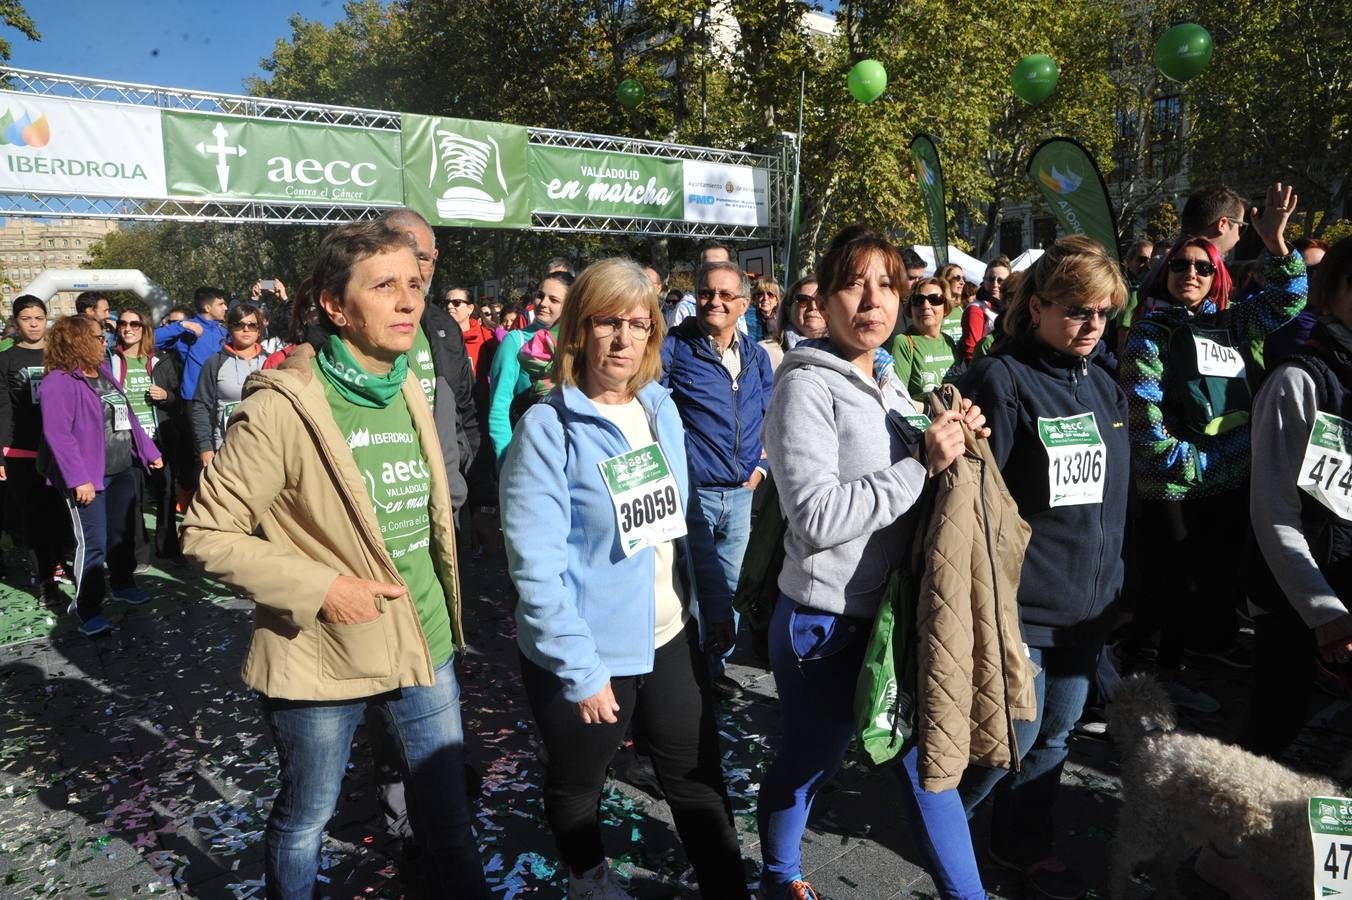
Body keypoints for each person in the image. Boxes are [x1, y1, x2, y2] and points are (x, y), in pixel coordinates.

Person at [180, 220, 489, 899]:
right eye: (385, 287)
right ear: (334, 305)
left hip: (422, 641)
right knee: (306, 821)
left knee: (448, 823)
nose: (409, 301)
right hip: (323, 655)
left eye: (415, 283)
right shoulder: (282, 406)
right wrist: (321, 588)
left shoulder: (408, 381)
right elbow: (205, 531)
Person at [500, 258, 748, 898]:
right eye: (608, 322)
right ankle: (589, 877)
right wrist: (580, 669)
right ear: (579, 330)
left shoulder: (661, 410)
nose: (623, 339)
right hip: (589, 652)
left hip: (668, 636)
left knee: (695, 775)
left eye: (638, 325)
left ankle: (727, 886)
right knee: (580, 780)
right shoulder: (547, 429)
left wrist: (713, 602)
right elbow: (537, 568)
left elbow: (683, 520)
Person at [757, 226, 990, 900]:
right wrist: (922, 464)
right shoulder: (806, 387)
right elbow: (818, 518)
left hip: (894, 620)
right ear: (825, 300)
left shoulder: (886, 384)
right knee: (809, 762)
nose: (872, 300)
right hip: (825, 623)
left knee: (926, 769)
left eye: (887, 285)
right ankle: (779, 878)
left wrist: (953, 428)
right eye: (853, 285)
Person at [956, 236, 1130, 899]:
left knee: (1055, 737)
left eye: (1103, 312)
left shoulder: (1105, 385)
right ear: (1038, 307)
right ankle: (937, 831)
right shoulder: (1003, 379)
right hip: (1020, 608)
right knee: (1003, 743)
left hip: (1084, 612)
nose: (1091, 325)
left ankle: (1020, 845)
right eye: (1077, 310)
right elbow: (976, 501)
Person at [1118, 183, 1308, 711]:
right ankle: (1149, 671)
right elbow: (1145, 419)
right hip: (1176, 482)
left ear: (1216, 276)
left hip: (1228, 480)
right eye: (1181, 267)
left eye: (1203, 268)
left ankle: (1151, 659)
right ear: (1166, 274)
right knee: (1169, 580)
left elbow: (1291, 299)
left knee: (1202, 581)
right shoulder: (1148, 334)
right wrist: (1192, 463)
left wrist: (1275, 243)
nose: (1192, 275)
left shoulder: (1232, 322)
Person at [1245, 237, 1352, 758]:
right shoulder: (1297, 381)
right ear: (1329, 295)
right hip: (1299, 601)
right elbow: (1273, 512)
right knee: (1275, 743)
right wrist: (1323, 610)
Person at [661, 260, 775, 700]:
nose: (716, 301)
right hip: (694, 493)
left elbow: (768, 417)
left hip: (742, 495)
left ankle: (716, 666)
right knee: (690, 588)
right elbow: (653, 406)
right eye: (708, 292)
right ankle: (690, 676)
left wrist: (761, 468)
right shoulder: (675, 346)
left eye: (727, 295)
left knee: (730, 589)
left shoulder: (756, 356)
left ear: (743, 304)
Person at [39, 316, 163, 637]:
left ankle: (123, 584)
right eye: (96, 337)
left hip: (121, 470)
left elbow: (128, 418)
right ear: (76, 341)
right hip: (88, 478)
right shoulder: (58, 382)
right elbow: (58, 434)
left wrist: (149, 452)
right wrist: (79, 478)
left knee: (121, 536)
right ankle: (87, 607)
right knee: (93, 543)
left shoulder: (104, 373)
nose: (104, 341)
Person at [0, 296, 68, 599]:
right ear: (16, 322)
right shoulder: (6, 360)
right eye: (26, 318)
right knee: (34, 518)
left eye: (39, 317)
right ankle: (45, 579)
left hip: (61, 449)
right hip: (22, 451)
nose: (33, 323)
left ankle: (65, 564)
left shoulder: (61, 355)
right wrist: (1, 449)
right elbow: (4, 409)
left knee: (62, 514)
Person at [110, 305, 182, 561]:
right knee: (134, 499)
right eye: (123, 324)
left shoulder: (160, 359)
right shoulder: (110, 360)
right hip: (125, 440)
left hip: (159, 438)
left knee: (165, 495)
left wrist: (167, 396)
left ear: (144, 329)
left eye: (134, 324)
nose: (128, 329)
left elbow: (177, 399)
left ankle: (168, 550)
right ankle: (139, 554)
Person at [487, 271, 572, 468]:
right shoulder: (515, 341)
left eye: (554, 299)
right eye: (540, 295)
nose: (543, 303)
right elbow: (499, 406)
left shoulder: (578, 345)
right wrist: (506, 463)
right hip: (528, 455)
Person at [192, 302, 267, 468]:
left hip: (265, 449)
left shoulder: (270, 362)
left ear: (259, 329)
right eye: (238, 324)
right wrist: (205, 447)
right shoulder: (214, 363)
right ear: (229, 328)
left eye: (252, 325)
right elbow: (200, 407)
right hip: (225, 449)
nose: (246, 329)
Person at [891, 277, 960, 402]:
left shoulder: (948, 341)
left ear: (946, 307)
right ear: (911, 308)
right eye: (918, 300)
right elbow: (898, 398)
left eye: (935, 299)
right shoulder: (904, 342)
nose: (926, 306)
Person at [960, 256, 1010, 361]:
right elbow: (970, 353)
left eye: (1000, 280)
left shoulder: (1009, 307)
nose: (995, 284)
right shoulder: (976, 309)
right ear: (983, 280)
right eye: (991, 279)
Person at [779, 276, 826, 350]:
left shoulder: (847, 351)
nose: (813, 307)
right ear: (788, 310)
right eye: (803, 299)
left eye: (820, 301)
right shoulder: (768, 353)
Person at [937, 264, 967, 342]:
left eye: (963, 278)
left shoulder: (961, 308)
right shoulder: (937, 307)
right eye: (957, 278)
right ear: (945, 280)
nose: (962, 282)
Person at [749, 276, 780, 343]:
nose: (765, 298)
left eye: (770, 294)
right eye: (760, 294)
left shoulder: (782, 320)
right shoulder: (748, 318)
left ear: (776, 300)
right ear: (754, 298)